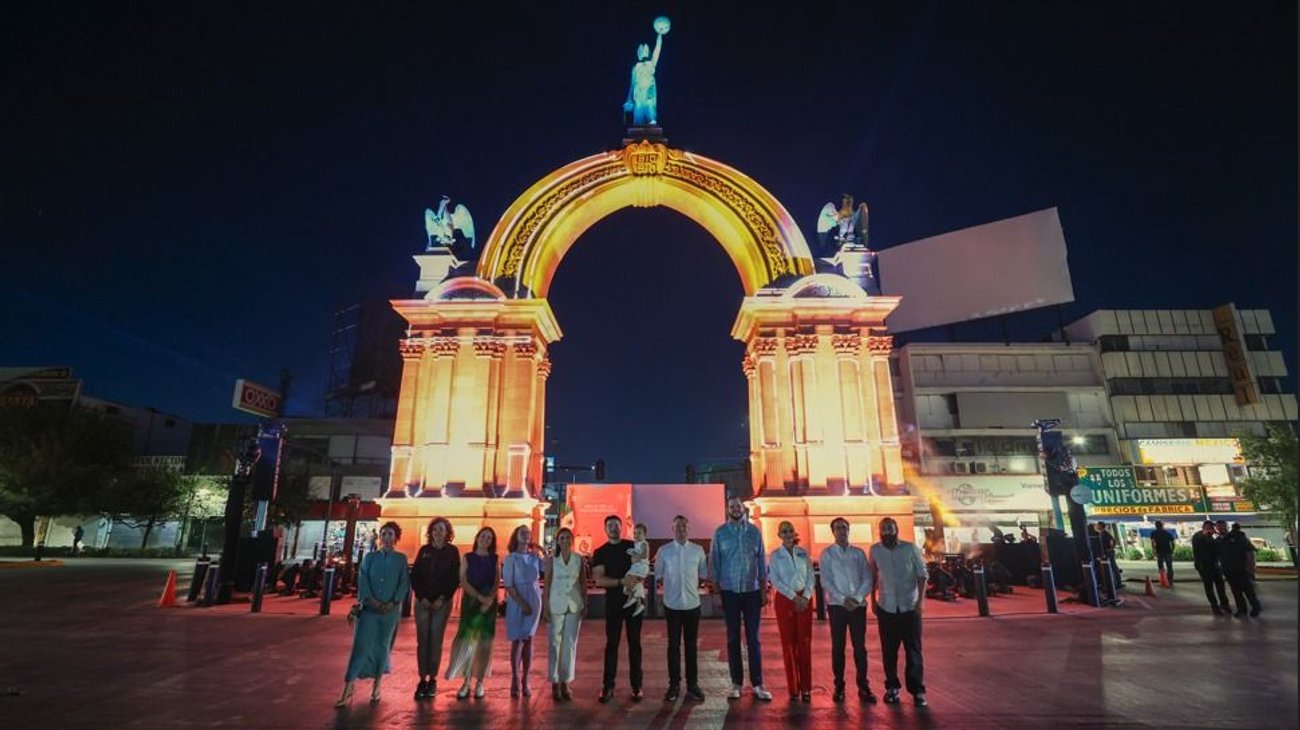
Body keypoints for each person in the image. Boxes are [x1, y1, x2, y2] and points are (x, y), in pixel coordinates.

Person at [334, 521, 410, 708]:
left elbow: (404, 583)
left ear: (396, 538)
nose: (386, 537)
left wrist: (393, 602)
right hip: (369, 610)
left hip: (390, 611)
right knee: (360, 646)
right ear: (379, 537)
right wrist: (371, 600)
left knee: (383, 647)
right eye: (383, 534)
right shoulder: (369, 558)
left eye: (390, 534)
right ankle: (348, 685)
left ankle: (377, 685)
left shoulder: (401, 559)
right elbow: (363, 579)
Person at [710, 496, 773, 702]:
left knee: (753, 639)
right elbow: (715, 562)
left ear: (742, 508)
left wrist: (764, 590)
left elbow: (762, 561)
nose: (735, 509)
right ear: (727, 509)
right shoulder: (720, 533)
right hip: (729, 592)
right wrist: (717, 592)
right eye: (731, 506)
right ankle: (736, 683)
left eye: (738, 505)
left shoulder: (754, 532)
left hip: (752, 591)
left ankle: (758, 683)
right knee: (732, 638)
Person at [870, 517, 929, 708]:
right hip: (886, 606)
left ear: (896, 529)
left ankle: (917, 691)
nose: (887, 531)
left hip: (909, 606)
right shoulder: (875, 550)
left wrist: (920, 601)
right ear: (880, 531)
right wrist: (872, 601)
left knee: (913, 650)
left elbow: (922, 575)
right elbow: (872, 576)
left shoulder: (910, 548)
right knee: (889, 651)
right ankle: (892, 688)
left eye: (890, 527)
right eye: (883, 528)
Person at [822, 517, 876, 704]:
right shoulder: (827, 554)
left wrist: (858, 598)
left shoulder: (859, 553)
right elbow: (826, 581)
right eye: (838, 528)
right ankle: (839, 686)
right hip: (837, 606)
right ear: (833, 532)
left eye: (844, 527)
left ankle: (863, 686)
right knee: (838, 648)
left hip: (857, 606)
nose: (842, 531)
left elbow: (867, 578)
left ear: (849, 530)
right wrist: (843, 599)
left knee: (860, 648)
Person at [655, 514, 708, 703]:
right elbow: (658, 576)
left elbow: (703, 574)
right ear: (672, 529)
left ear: (689, 528)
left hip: (693, 605)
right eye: (677, 526)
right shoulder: (664, 551)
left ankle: (692, 685)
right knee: (673, 646)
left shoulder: (698, 550)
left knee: (691, 646)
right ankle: (674, 685)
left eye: (684, 526)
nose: (681, 529)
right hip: (672, 605)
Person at [591, 514, 644, 702]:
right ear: (605, 529)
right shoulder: (600, 552)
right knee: (611, 645)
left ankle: (637, 686)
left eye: (616, 525)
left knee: (635, 644)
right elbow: (599, 579)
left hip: (634, 602)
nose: (613, 528)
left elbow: (642, 570)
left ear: (621, 527)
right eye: (610, 525)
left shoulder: (631, 547)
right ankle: (607, 686)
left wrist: (634, 581)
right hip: (613, 603)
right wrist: (622, 581)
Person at [446, 527, 501, 699]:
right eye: (483, 536)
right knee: (467, 642)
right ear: (477, 538)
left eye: (489, 538)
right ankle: (466, 681)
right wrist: (479, 598)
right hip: (471, 603)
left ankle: (480, 683)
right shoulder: (467, 557)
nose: (486, 539)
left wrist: (489, 599)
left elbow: (496, 581)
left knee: (485, 644)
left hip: (489, 605)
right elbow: (463, 580)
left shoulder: (495, 559)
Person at [410, 516, 460, 699]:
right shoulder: (424, 550)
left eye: (442, 529)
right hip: (422, 603)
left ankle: (433, 679)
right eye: (435, 529)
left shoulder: (452, 552)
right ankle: (422, 679)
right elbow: (415, 576)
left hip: (441, 603)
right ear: (430, 532)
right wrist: (421, 597)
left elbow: (454, 578)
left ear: (447, 533)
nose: (438, 532)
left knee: (435, 641)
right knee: (422, 641)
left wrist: (442, 598)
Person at [768, 520, 814, 702]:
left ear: (794, 533)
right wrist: (794, 598)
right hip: (786, 600)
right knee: (788, 645)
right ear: (779, 535)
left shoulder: (803, 553)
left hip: (805, 600)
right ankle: (793, 688)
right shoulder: (775, 555)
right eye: (784, 531)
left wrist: (806, 596)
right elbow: (776, 580)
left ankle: (807, 688)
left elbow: (811, 577)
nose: (788, 534)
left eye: (790, 531)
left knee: (805, 643)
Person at [542, 527, 586, 702]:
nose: (565, 541)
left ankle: (566, 681)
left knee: (569, 644)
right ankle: (554, 680)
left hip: (574, 605)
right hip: (555, 604)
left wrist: (585, 602)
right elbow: (547, 584)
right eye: (562, 538)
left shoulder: (578, 559)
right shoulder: (552, 561)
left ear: (572, 540)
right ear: (557, 541)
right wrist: (545, 606)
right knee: (554, 643)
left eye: (568, 538)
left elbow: (583, 583)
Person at [503, 525, 543, 697]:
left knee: (529, 640)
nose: (526, 535)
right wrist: (522, 603)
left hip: (534, 597)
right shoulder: (511, 558)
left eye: (528, 533)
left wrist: (542, 551)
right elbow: (509, 585)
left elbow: (547, 570)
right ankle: (514, 677)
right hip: (517, 598)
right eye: (522, 533)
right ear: (516, 536)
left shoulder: (535, 557)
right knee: (517, 640)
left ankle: (526, 679)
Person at [623, 18, 668, 126]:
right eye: (641, 51)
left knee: (649, 103)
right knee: (638, 107)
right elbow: (632, 83)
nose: (643, 52)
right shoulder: (635, 67)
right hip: (638, 90)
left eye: (645, 50)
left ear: (648, 52)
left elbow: (657, 49)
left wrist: (659, 35)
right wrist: (628, 99)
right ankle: (638, 127)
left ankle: (652, 123)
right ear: (638, 53)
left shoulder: (652, 63)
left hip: (649, 87)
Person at [1219, 523, 1262, 617]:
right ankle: (1254, 607)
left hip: (1234, 570)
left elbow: (1221, 554)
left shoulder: (1228, 539)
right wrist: (1251, 569)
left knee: (1238, 591)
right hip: (1238, 569)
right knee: (1246, 591)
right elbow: (1250, 554)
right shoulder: (1242, 539)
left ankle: (1244, 610)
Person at [1190, 520, 1231, 615]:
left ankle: (1224, 604)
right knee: (1209, 586)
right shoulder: (1198, 536)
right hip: (1203, 566)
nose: (1211, 530)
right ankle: (1215, 606)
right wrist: (1208, 535)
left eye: (1212, 528)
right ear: (1204, 528)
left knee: (1220, 584)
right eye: (1209, 528)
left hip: (1214, 565)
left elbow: (1217, 547)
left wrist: (1220, 536)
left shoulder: (1211, 538)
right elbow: (1201, 543)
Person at [622, 523, 650, 617]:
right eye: (635, 533)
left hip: (641, 567)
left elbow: (644, 555)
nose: (636, 535)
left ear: (645, 535)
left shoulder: (644, 544)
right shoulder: (636, 544)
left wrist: (635, 555)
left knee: (629, 579)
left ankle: (632, 598)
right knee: (636, 584)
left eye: (639, 533)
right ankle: (639, 604)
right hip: (636, 567)